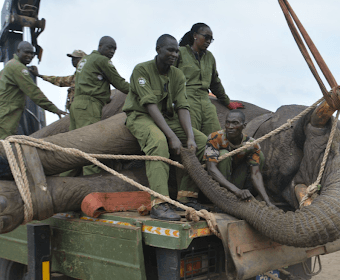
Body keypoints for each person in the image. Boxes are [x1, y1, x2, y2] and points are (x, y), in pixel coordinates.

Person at [122, 34, 208, 221]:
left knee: (202, 142)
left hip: (167, 118)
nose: (174, 54)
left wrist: (190, 137)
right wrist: (171, 136)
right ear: (158, 49)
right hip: (142, 116)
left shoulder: (177, 75)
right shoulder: (141, 70)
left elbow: (183, 106)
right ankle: (159, 203)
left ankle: (186, 197)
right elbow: (150, 105)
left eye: (177, 51)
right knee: (158, 142)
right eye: (170, 50)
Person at [72, 36, 130, 175]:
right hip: (89, 105)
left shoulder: (86, 59)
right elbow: (119, 83)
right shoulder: (102, 60)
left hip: (77, 105)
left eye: (114, 49)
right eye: (109, 47)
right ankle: (92, 181)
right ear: (100, 46)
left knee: (72, 146)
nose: (112, 51)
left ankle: (65, 175)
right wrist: (142, 91)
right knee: (90, 144)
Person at [177, 23, 244, 137]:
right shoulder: (180, 53)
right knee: (191, 137)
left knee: (217, 137)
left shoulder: (210, 57)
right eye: (206, 37)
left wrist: (227, 102)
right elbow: (167, 76)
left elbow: (215, 83)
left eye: (211, 39)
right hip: (186, 98)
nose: (208, 41)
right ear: (195, 35)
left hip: (205, 100)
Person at [205, 110, 275, 208]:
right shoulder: (215, 137)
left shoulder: (251, 143)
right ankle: (222, 200)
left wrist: (268, 202)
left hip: (237, 182)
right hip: (218, 186)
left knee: (261, 157)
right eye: (227, 122)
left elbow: (255, 174)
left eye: (235, 123)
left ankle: (247, 195)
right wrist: (236, 191)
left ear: (244, 125)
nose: (230, 126)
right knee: (224, 155)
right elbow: (211, 168)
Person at [0, 41, 66, 139]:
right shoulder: (17, 67)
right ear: (18, 51)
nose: (30, 56)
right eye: (26, 52)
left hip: (6, 112)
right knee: (4, 144)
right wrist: (54, 109)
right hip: (7, 114)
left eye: (32, 53)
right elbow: (34, 92)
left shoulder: (11, 65)